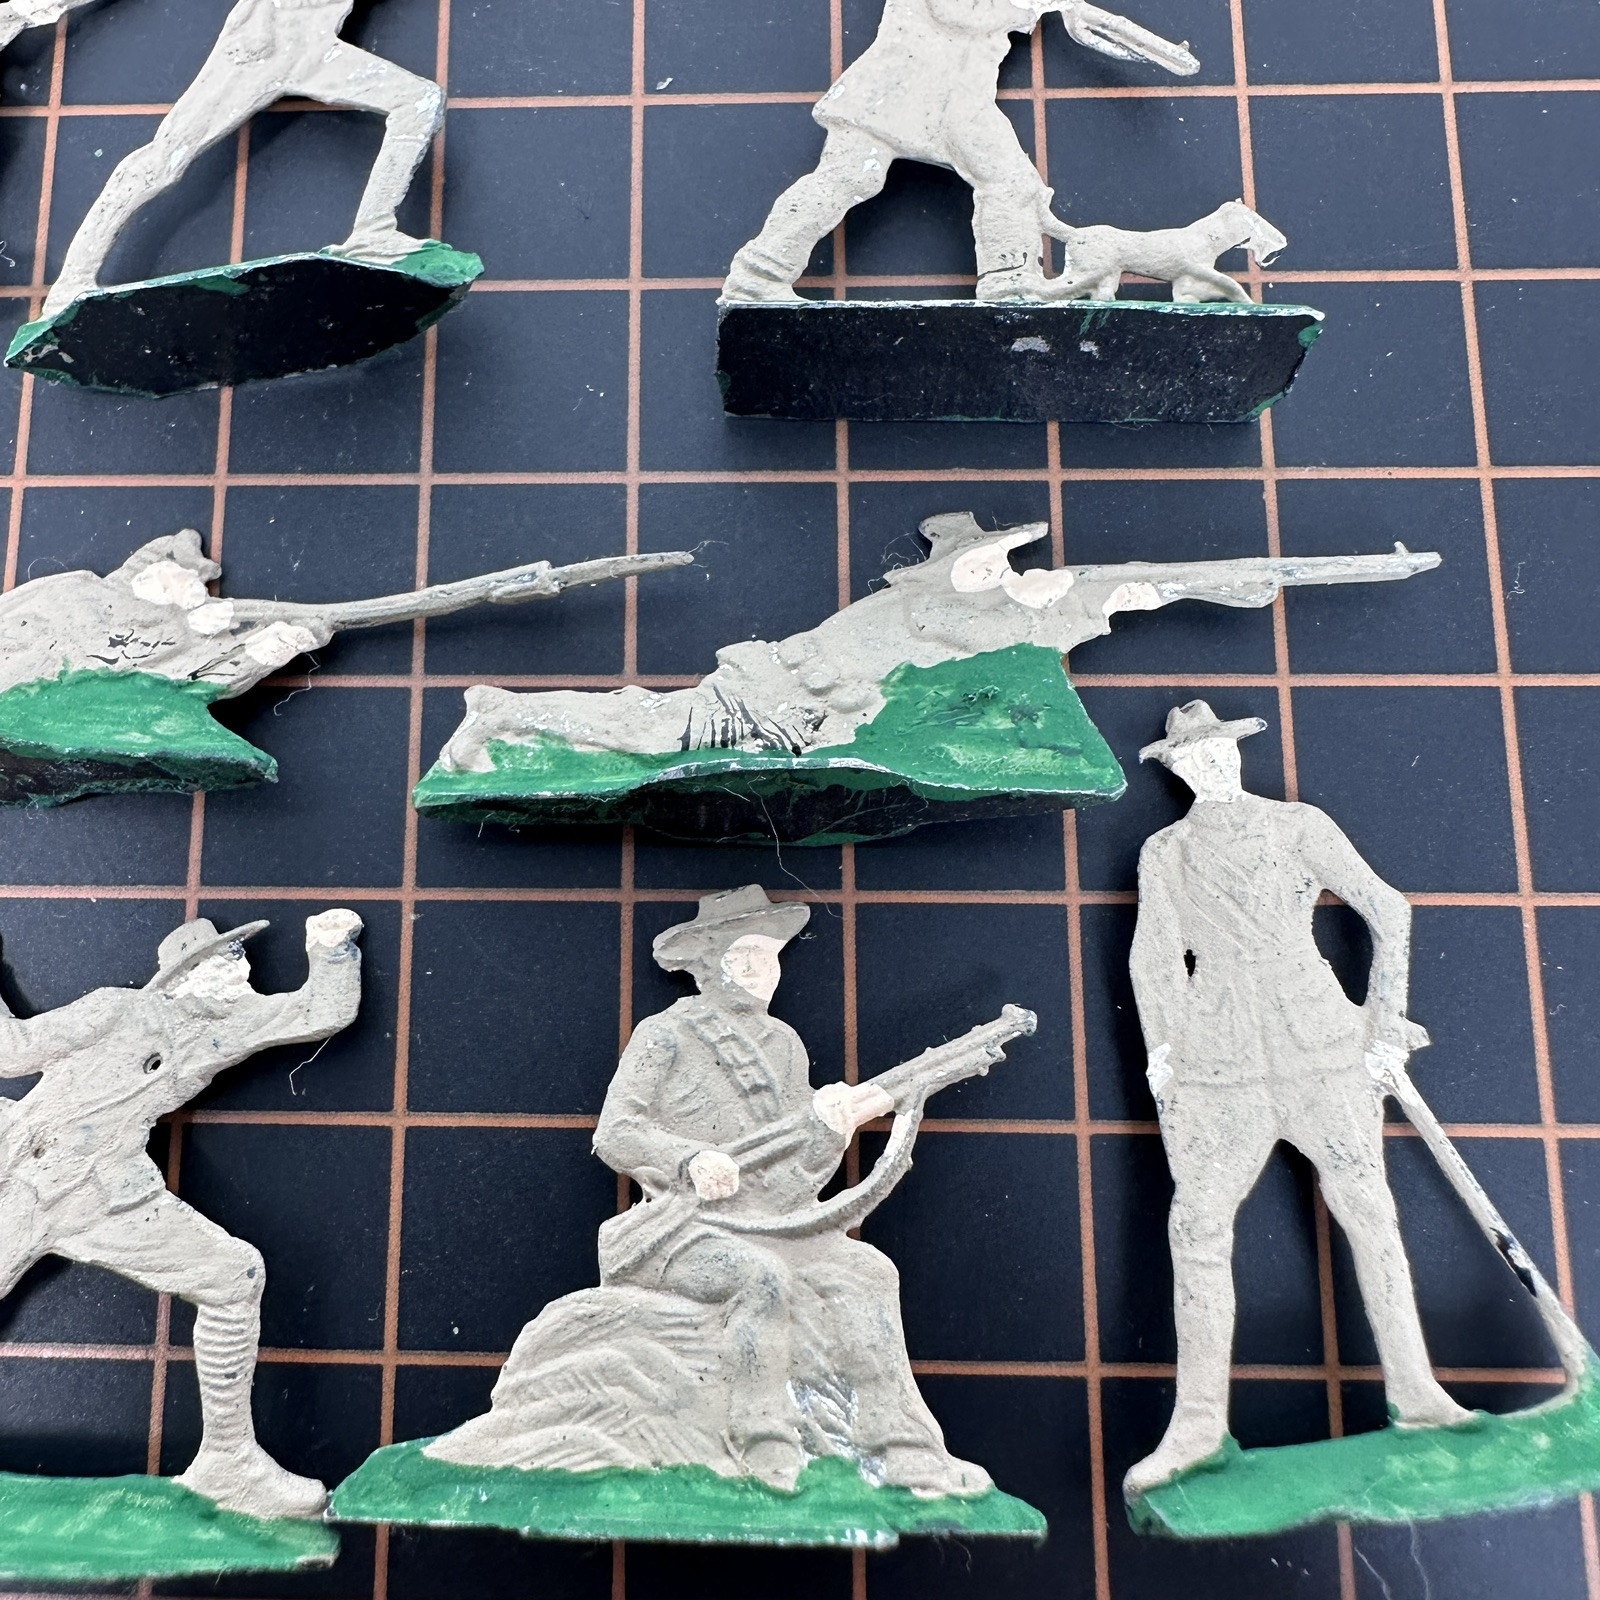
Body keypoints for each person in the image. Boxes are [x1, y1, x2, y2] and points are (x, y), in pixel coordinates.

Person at [428, 885, 995, 1497]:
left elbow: (797, 1172)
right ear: (706, 965)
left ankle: (903, 1448)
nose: (761, 970)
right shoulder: (666, 1034)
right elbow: (616, 1132)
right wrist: (689, 1159)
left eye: (769, 956)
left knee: (870, 1271)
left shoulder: (784, 1044)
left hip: (772, 1223)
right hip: (681, 1230)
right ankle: (762, 1438)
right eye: (743, 956)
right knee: (759, 1278)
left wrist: (831, 1129)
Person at [1125, 702, 1471, 1496]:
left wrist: (1384, 1021)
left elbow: (1389, 908)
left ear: (1235, 753)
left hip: (1320, 1044)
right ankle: (1197, 1426)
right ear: (1176, 769)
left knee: (1371, 1212)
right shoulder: (1166, 851)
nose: (1210, 763)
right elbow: (1154, 957)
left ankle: (1418, 1392)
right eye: (1193, 757)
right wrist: (1163, 1055)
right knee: (1196, 1226)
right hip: (1219, 1062)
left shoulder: (1297, 826)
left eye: (1218, 750)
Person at [0, 908, 363, 1517]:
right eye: (223, 959)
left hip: (107, 1197)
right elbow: (11, 1049)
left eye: (237, 958)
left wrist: (330, 948)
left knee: (234, 1276)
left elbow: (320, 1012)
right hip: (21, 1175)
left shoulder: (229, 1025)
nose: (238, 970)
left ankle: (228, 1464)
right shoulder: (117, 1009)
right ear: (181, 975)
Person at [722, 0, 1194, 303]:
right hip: (896, 87)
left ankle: (1009, 284)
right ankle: (758, 276)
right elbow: (959, 14)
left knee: (1011, 183)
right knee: (849, 176)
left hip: (962, 101)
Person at [43, 0, 444, 315]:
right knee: (166, 157)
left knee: (418, 101)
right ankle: (71, 283)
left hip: (313, 46)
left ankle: (372, 233)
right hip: (263, 43)